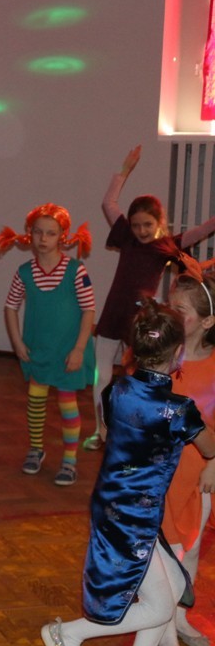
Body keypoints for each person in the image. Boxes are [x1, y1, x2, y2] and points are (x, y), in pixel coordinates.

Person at [41, 299, 215, 646]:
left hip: (115, 506)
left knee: (170, 588)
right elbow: (210, 447)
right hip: (132, 518)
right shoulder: (179, 409)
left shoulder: (115, 390)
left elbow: (108, 433)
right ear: (178, 353)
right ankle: (67, 634)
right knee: (160, 605)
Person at [85, 145, 215, 450]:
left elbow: (203, 229)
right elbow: (108, 203)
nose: (141, 230)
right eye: (136, 225)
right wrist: (124, 170)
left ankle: (133, 427)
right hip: (113, 314)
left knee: (137, 376)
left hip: (142, 321)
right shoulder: (127, 237)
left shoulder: (167, 246)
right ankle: (100, 428)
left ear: (159, 223)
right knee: (101, 374)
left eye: (147, 224)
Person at [0, 203, 95, 486]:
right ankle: (36, 449)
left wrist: (79, 349)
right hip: (37, 350)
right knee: (36, 401)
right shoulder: (24, 272)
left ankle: (70, 460)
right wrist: (17, 342)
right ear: (30, 233)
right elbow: (10, 307)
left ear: (62, 236)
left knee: (67, 404)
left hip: (67, 352)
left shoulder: (76, 270)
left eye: (50, 233)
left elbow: (89, 311)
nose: (43, 238)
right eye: (38, 232)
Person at [154, 274, 215, 646]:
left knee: (189, 550)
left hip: (199, 476)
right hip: (159, 476)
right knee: (163, 558)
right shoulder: (159, 356)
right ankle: (162, 634)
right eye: (169, 306)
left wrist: (214, 462)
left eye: (182, 310)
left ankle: (177, 617)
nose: (171, 314)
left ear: (207, 322)